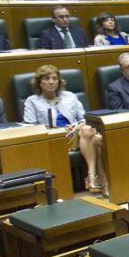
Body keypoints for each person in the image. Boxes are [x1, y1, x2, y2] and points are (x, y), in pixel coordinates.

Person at [23, 65, 106, 193]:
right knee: (97, 139)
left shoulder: (70, 96)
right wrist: (52, 128)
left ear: (59, 81)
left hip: (78, 134)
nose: (51, 82)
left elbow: (84, 118)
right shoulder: (32, 101)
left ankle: (92, 177)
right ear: (39, 82)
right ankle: (100, 181)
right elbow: (29, 126)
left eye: (54, 78)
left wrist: (78, 126)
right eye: (46, 79)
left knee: (88, 130)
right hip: (54, 138)